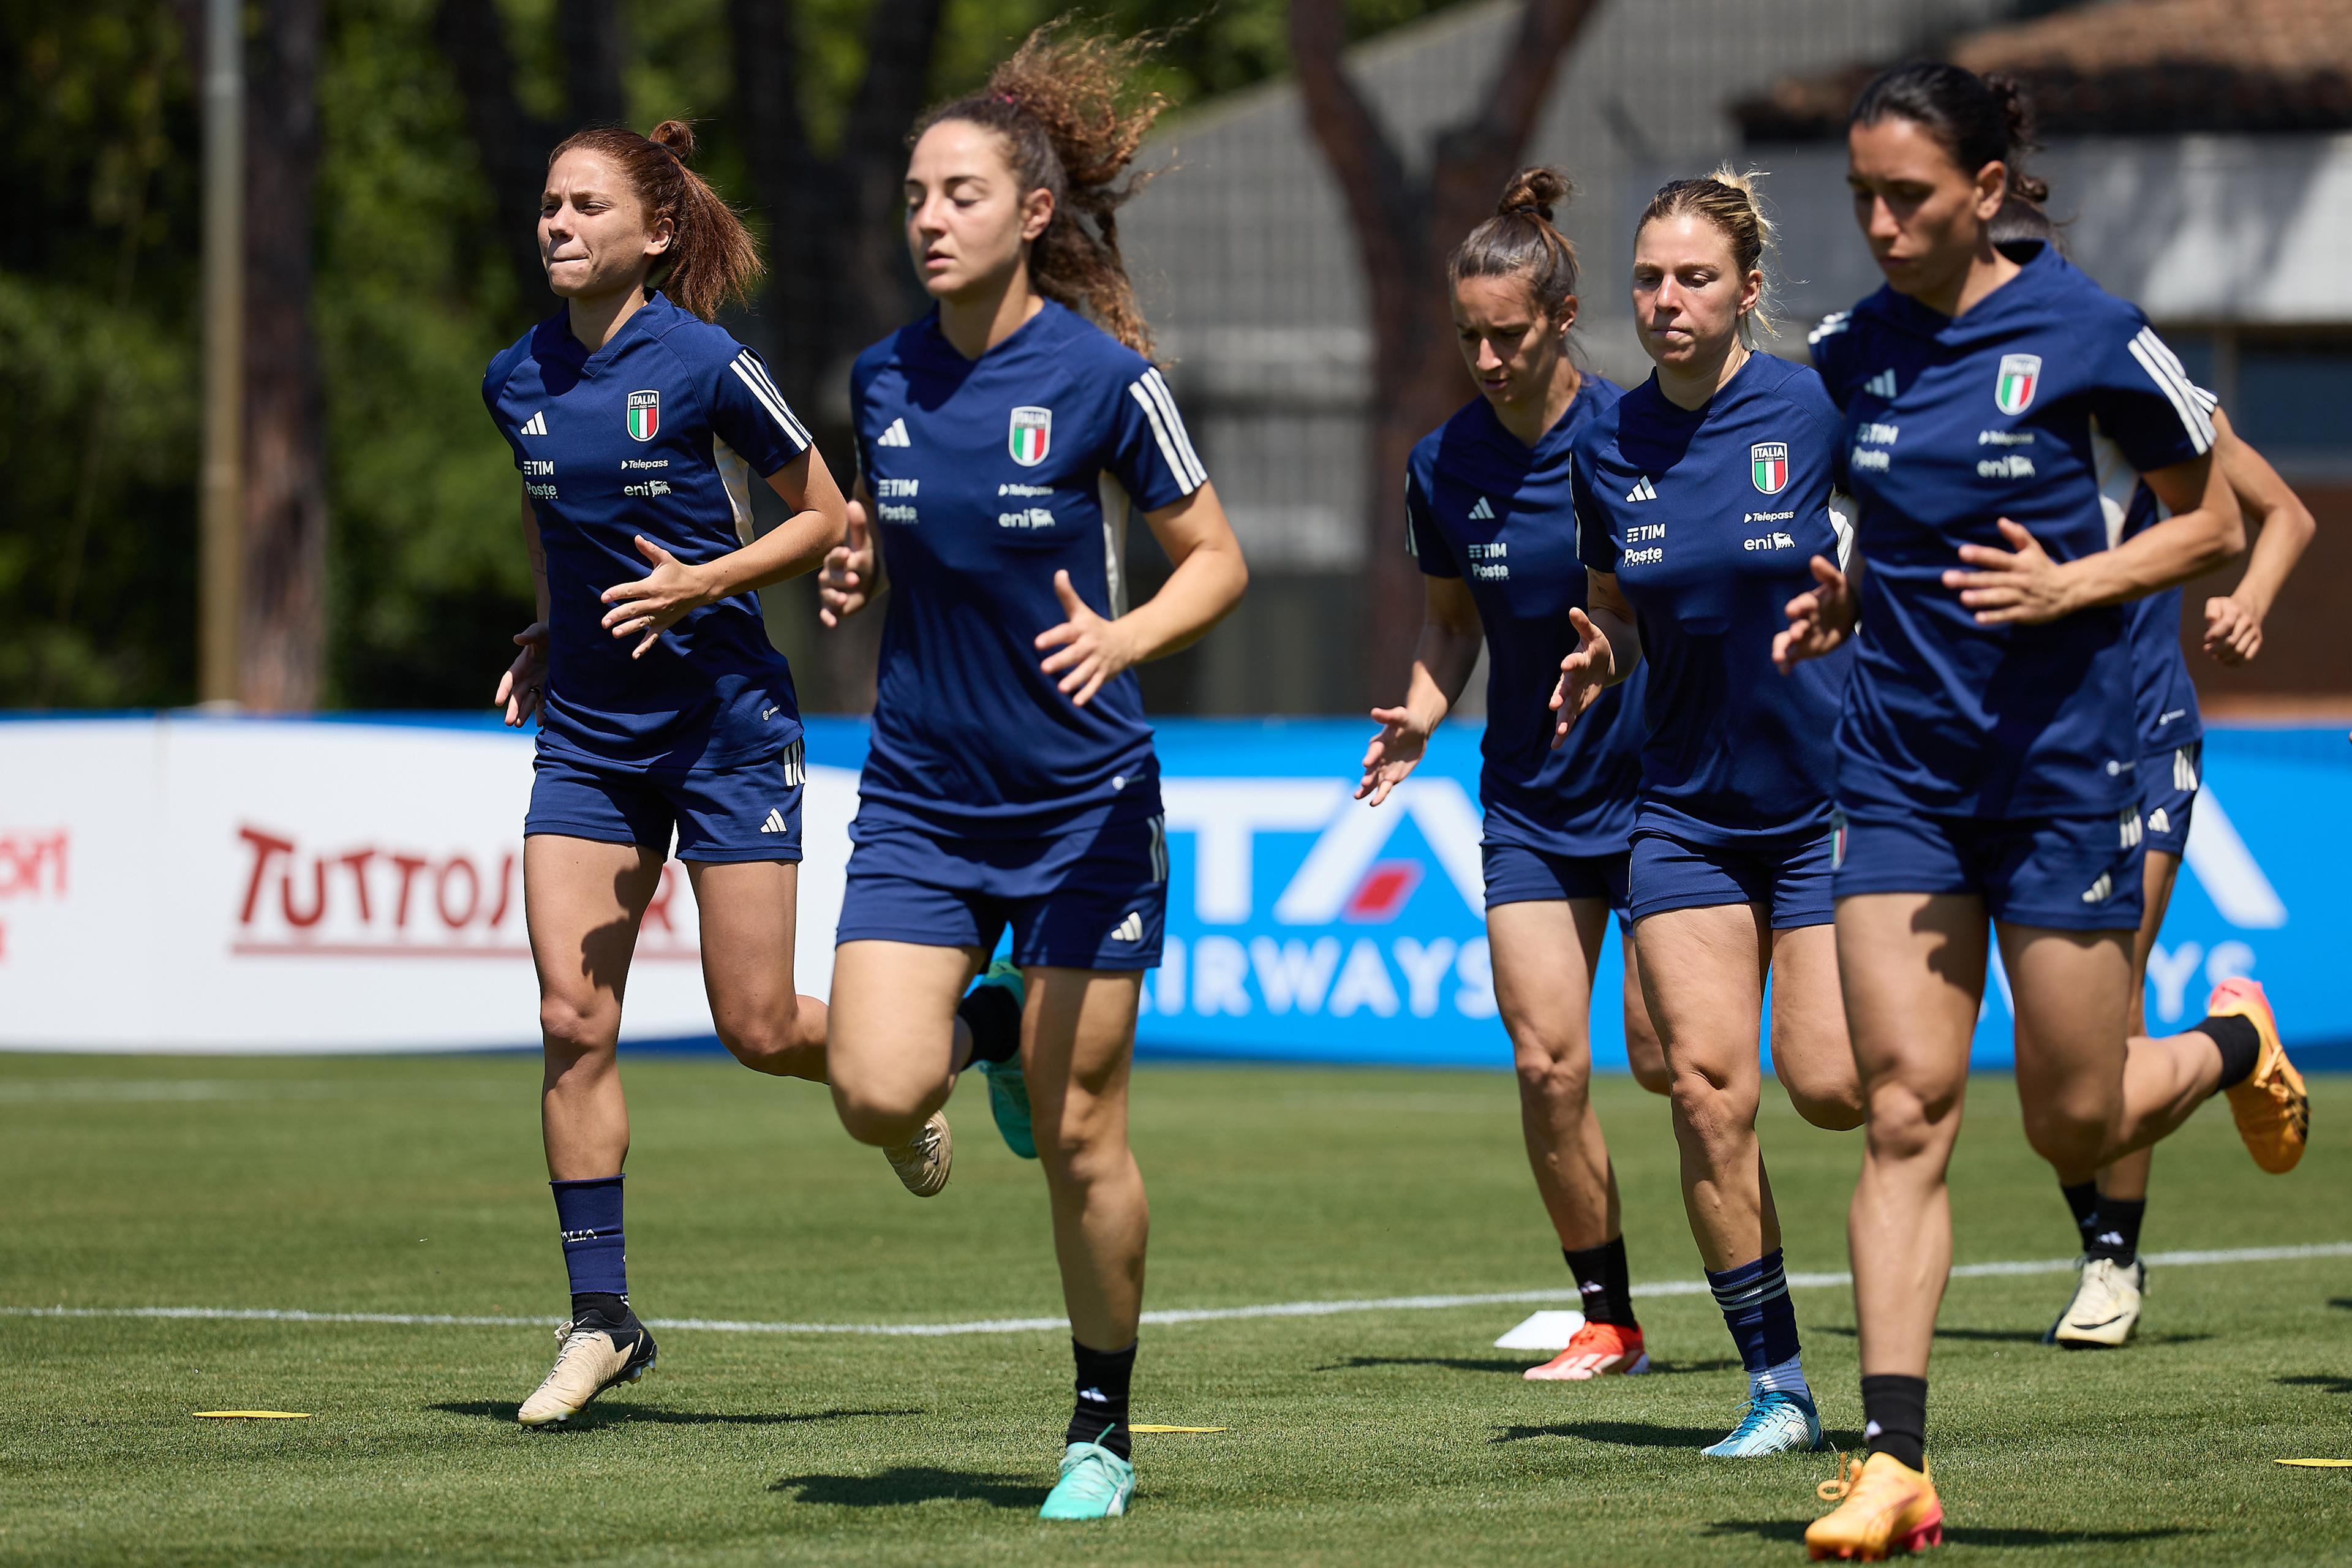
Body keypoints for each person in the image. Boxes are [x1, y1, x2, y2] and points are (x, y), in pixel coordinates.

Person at [1790, 66, 2307, 1558]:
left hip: (2061, 775)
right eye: (1863, 198)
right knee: (1905, 1110)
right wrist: (1842, 591)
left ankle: (2226, 1040)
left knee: (2069, 1116)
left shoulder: (2086, 329)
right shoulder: (1852, 352)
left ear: (1990, 189)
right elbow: (1870, 522)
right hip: (1897, 774)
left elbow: (2215, 518)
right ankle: (1894, 1459)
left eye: (1911, 196)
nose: (1883, 224)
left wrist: (2073, 583)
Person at [815, 26, 1248, 1522]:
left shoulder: (1107, 379)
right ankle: (983, 1026)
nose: (927, 215)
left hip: (1085, 810)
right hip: (926, 800)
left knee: (1080, 1136)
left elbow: (1220, 562)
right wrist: (859, 555)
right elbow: (895, 522)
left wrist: (1126, 635)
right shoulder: (878, 377)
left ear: (1030, 214)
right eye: (916, 195)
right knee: (875, 1088)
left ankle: (1098, 1429)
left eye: (958, 192)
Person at [482, 123, 952, 1429]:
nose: (558, 223)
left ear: (654, 232)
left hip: (728, 722)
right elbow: (547, 508)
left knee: (754, 1024)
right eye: (548, 203)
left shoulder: (704, 363)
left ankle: (911, 1077)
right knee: (573, 1024)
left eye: (586, 205)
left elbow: (824, 515)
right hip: (588, 726)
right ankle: (601, 1318)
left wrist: (707, 579)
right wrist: (545, 619)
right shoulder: (512, 375)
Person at [1552, 168, 1863, 1457]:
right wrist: (1602, 656)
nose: (1666, 300)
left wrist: (1866, 600)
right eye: (1648, 279)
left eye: (1693, 278)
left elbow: (1902, 550)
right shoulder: (1603, 439)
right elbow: (1620, 600)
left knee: (1833, 1086)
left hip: (1831, 798)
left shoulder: (1813, 403)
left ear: (1745, 290)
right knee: (1705, 1095)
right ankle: (1778, 1386)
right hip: (1681, 810)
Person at [1981, 205, 2320, 1351]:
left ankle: (2110, 1262)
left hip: (2139, 730)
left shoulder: (2131, 385)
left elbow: (2282, 515)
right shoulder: (1952, 395)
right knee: (2057, 1043)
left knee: (2114, 994)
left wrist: (2248, 602)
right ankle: (2237, 1049)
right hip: (2012, 746)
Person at [1358, 167, 1668, 1387]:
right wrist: (1421, 717)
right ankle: (1609, 1316)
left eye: (1511, 333)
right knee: (1548, 1061)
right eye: (1469, 334)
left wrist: (1624, 639)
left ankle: (1763, 1322)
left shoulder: (1644, 434)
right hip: (1531, 799)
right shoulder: (1443, 466)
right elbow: (1452, 625)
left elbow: (1693, 605)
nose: (1487, 356)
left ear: (1562, 312)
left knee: (1664, 1059)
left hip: (1664, 789)